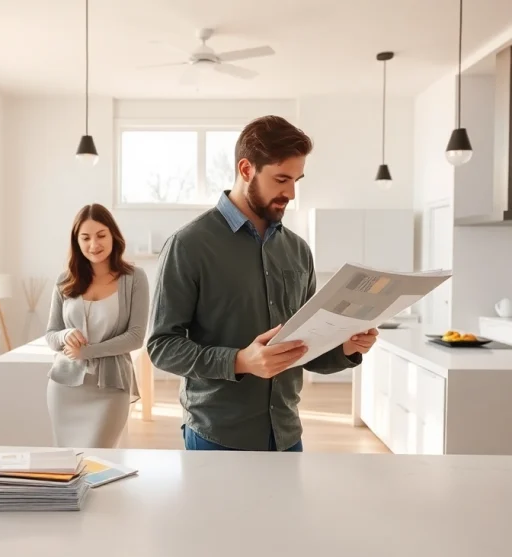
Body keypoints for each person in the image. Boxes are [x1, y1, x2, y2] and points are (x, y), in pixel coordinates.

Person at [146, 115, 379, 452]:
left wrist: (346, 348)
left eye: (297, 180)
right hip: (217, 435)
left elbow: (303, 347)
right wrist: (241, 361)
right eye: (281, 179)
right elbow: (161, 345)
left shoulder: (298, 250)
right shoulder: (189, 244)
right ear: (246, 169)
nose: (291, 193)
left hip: (286, 433)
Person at [45, 203, 150, 448]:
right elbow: (51, 335)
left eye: (101, 235)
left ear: (113, 235)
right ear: (76, 242)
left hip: (111, 388)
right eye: (86, 238)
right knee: (69, 464)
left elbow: (135, 337)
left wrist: (87, 351)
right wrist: (66, 335)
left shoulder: (134, 278)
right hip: (64, 387)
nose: (94, 245)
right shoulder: (64, 281)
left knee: (100, 458)